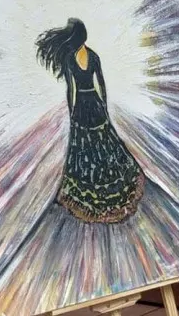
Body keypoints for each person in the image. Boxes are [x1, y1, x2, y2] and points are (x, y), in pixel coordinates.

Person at [36, 18, 145, 223]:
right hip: (94, 102)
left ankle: (86, 194)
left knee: (84, 146)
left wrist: (73, 111)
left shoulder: (71, 58)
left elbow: (72, 89)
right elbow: (100, 84)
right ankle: (110, 191)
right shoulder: (91, 56)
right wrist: (102, 105)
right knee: (102, 143)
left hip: (83, 104)